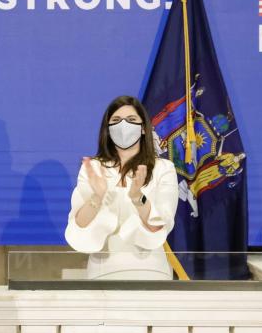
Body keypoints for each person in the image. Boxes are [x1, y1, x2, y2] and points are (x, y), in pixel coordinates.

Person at [65, 95, 178, 280]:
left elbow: (160, 224)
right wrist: (97, 197)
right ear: (108, 130)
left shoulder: (163, 169)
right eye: (116, 121)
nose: (123, 126)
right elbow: (80, 224)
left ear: (143, 128)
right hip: (103, 272)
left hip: (151, 271)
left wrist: (137, 197)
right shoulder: (93, 168)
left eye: (131, 120)